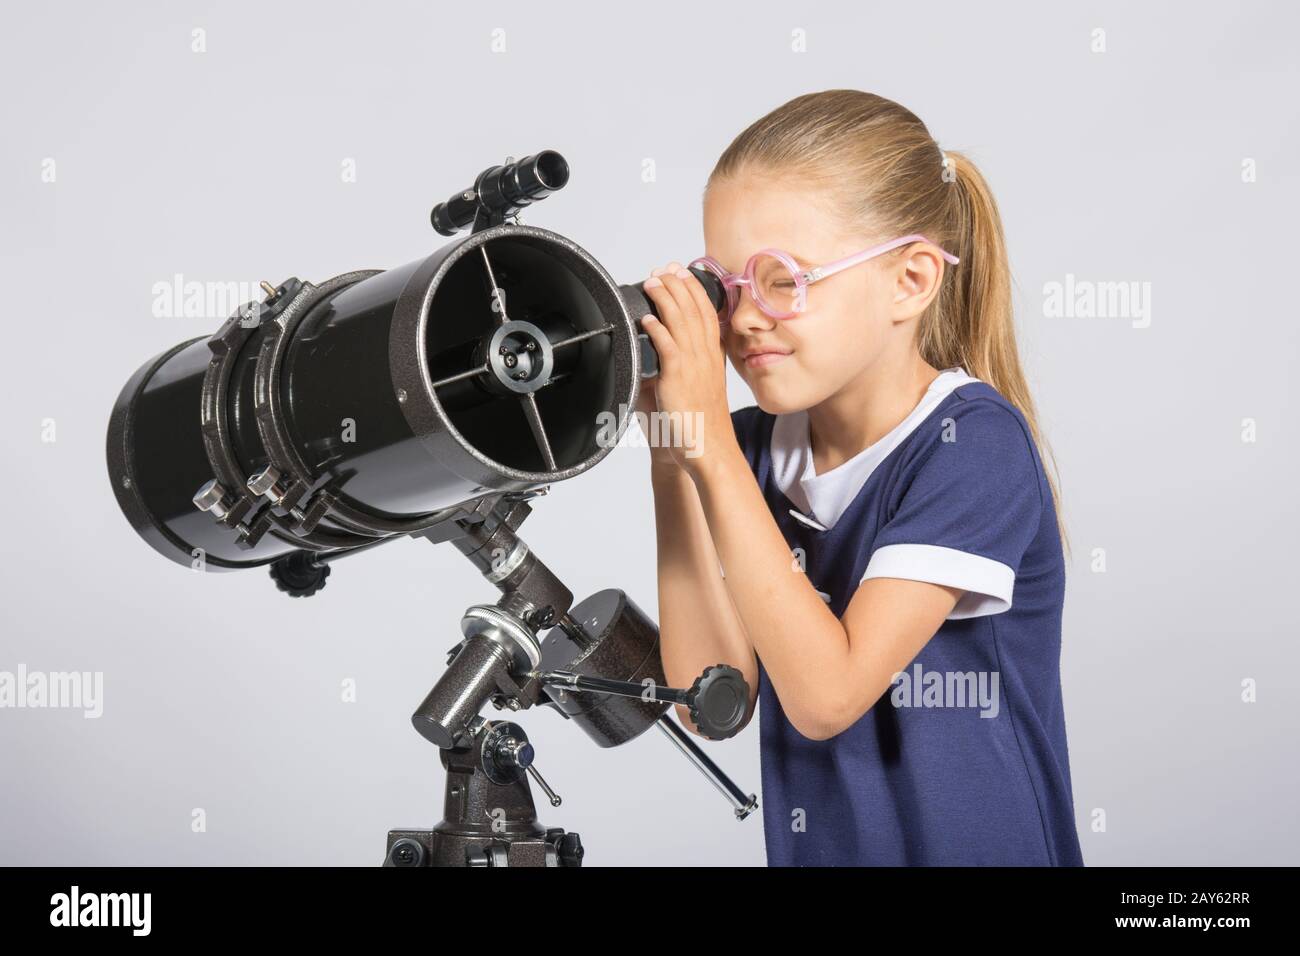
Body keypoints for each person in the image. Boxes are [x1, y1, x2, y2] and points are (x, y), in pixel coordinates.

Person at [637, 89, 1083, 866]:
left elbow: (826, 697)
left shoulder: (972, 445)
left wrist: (707, 443)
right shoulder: (743, 450)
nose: (743, 319)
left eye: (783, 280)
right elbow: (713, 701)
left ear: (910, 281)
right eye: (725, 285)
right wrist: (674, 450)